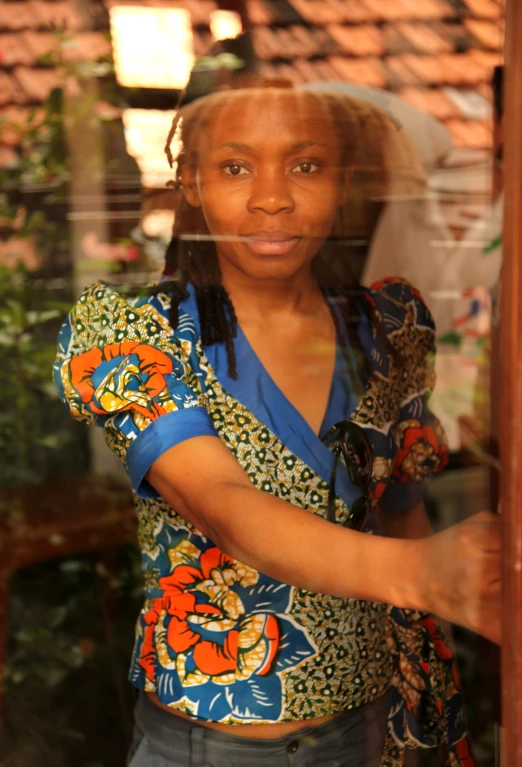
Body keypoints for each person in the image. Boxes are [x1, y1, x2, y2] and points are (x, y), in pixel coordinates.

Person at [54, 85, 500, 767]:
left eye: (306, 165)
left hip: (372, 730)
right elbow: (224, 507)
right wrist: (425, 573)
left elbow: (403, 517)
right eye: (235, 167)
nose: (272, 198)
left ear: (345, 181)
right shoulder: (131, 336)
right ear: (191, 183)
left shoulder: (389, 326)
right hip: (211, 748)